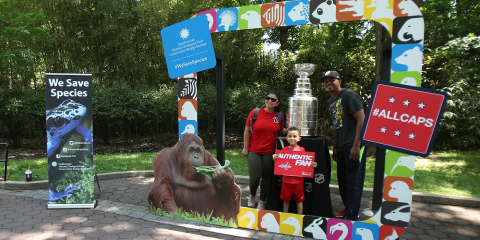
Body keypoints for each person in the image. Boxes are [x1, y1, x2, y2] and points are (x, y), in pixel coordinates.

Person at [322, 70, 367, 221]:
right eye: (325, 81)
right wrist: (335, 147)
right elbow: (336, 126)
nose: (328, 83)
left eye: (331, 80)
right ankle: (348, 208)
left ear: (339, 81)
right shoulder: (331, 102)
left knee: (353, 180)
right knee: (343, 180)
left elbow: (361, 119)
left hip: (353, 144)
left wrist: (356, 144)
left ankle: (353, 214)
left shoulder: (349, 95)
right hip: (341, 146)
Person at [243, 91, 285, 210]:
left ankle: (262, 200)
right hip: (254, 150)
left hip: (270, 152)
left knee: (267, 177)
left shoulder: (279, 116)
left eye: (273, 100)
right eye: (268, 98)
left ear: (277, 103)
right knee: (255, 177)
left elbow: (282, 131)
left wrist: (294, 131)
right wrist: (245, 148)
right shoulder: (255, 112)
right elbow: (247, 130)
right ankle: (252, 195)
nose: (270, 101)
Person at [272, 126, 317, 214]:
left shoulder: (302, 150)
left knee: (299, 200)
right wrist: (274, 157)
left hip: (298, 181)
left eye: (294, 136)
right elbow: (278, 161)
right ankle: (284, 216)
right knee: (286, 200)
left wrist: (313, 164)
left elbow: (306, 163)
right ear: (286, 138)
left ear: (299, 138)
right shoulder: (284, 150)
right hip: (286, 181)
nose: (292, 138)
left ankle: (299, 218)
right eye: (290, 136)